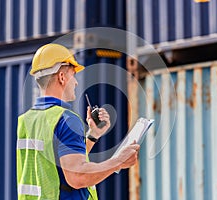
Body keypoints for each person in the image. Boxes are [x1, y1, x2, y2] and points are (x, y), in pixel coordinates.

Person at [16, 43, 140, 200]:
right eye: (73, 75)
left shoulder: (27, 120)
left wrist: (93, 135)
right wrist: (119, 162)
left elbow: (59, 163)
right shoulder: (66, 119)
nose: (75, 82)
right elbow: (77, 177)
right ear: (62, 77)